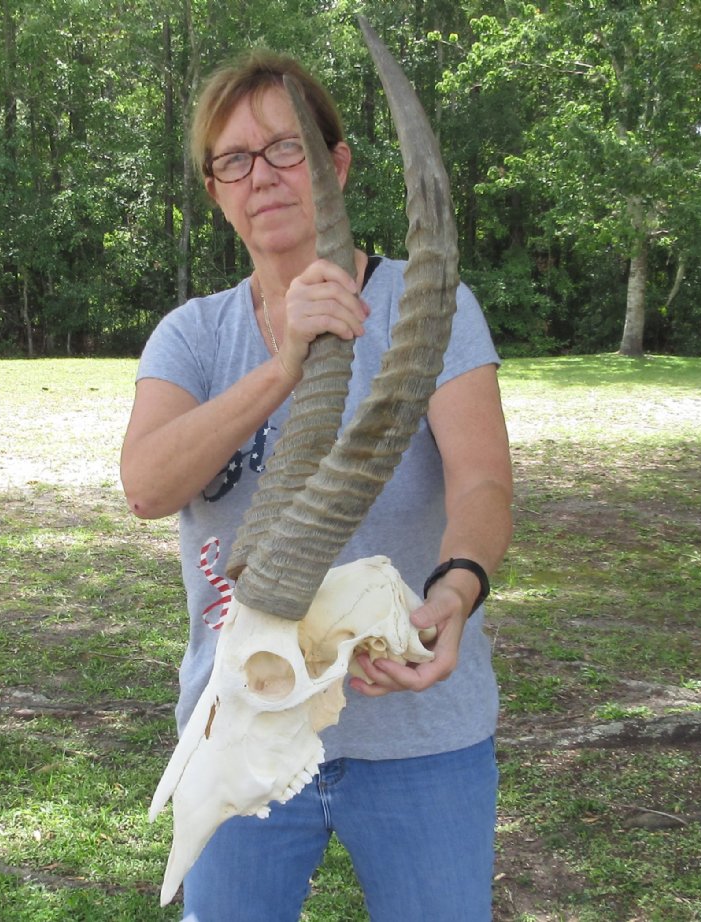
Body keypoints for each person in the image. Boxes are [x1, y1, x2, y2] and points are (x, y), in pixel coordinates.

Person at [120, 48, 513, 922]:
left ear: (335, 164)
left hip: (420, 735)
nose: (260, 175)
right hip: (244, 723)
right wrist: (285, 365)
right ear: (216, 191)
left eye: (284, 147)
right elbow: (146, 487)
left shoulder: (429, 305)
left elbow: (482, 479)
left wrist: (459, 586)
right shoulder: (194, 335)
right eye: (233, 159)